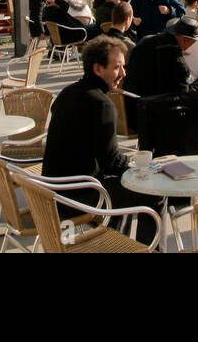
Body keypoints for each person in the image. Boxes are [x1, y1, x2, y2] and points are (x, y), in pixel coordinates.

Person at [42, 37, 160, 243]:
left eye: (123, 67)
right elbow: (112, 163)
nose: (123, 74)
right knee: (152, 193)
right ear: (98, 69)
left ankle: (116, 241)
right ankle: (137, 246)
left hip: (52, 191)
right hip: (80, 196)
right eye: (117, 68)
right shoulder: (101, 104)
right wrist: (144, 167)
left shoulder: (66, 93)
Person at [122, 16, 198, 128]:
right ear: (185, 40)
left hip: (132, 111)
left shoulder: (145, 42)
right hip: (157, 118)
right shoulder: (175, 58)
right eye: (193, 43)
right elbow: (184, 96)